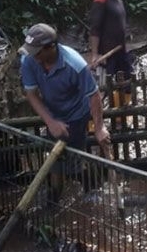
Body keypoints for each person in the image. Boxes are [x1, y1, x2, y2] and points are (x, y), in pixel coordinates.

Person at [19, 23, 110, 202]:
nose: (33, 55)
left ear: (51, 47)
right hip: (53, 111)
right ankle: (60, 195)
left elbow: (94, 95)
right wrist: (50, 121)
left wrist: (99, 128)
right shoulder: (29, 60)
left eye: (37, 51)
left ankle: (87, 191)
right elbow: (31, 94)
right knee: (60, 159)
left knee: (69, 158)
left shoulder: (75, 64)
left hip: (76, 112)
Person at [89, 0, 133, 110]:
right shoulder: (101, 1)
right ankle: (93, 123)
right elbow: (94, 29)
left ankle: (123, 112)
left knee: (127, 80)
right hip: (107, 54)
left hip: (120, 49)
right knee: (103, 88)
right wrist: (95, 54)